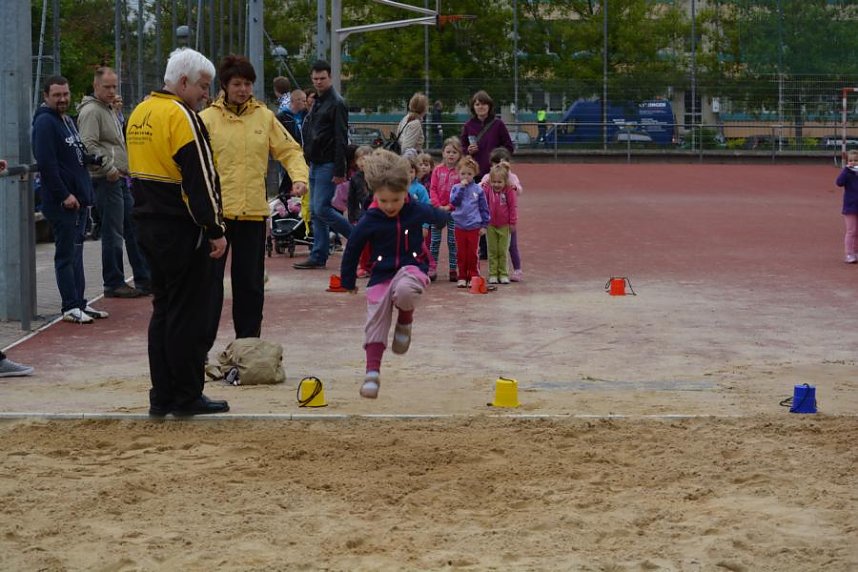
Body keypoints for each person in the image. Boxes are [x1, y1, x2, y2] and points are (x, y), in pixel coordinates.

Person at [126, 48, 229, 417]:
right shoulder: (181, 116)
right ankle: (187, 395)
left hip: (145, 223)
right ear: (183, 82)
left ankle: (162, 396)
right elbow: (200, 178)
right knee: (188, 314)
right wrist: (215, 228)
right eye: (203, 86)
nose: (206, 94)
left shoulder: (139, 112)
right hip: (180, 228)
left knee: (163, 310)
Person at [200, 55, 309, 344]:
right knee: (208, 285)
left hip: (253, 213)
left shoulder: (265, 116)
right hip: (216, 215)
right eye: (237, 84)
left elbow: (289, 150)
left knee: (249, 283)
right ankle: (200, 349)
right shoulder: (206, 119)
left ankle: (248, 344)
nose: (243, 89)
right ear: (224, 85)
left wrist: (299, 177)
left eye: (248, 84)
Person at [339, 149, 451, 399]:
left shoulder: (416, 210)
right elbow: (353, 248)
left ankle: (405, 320)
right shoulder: (371, 218)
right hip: (381, 274)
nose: (390, 206)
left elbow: (439, 216)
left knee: (405, 290)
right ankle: (372, 373)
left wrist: (449, 215)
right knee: (375, 317)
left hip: (413, 267)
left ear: (406, 193)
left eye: (396, 200)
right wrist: (347, 281)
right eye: (384, 200)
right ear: (375, 195)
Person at [32, 75, 107, 324]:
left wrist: (91, 159)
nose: (62, 99)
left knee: (77, 253)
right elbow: (47, 164)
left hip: (80, 199)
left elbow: (73, 154)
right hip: (63, 202)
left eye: (65, 94)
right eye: (57, 95)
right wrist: (64, 194)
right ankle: (69, 306)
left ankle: (80, 303)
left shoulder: (66, 120)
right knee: (66, 254)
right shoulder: (45, 123)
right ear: (46, 96)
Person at [78, 67, 151, 298]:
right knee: (113, 232)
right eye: (107, 87)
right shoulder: (92, 111)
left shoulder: (108, 109)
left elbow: (114, 141)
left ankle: (144, 278)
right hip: (106, 180)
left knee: (132, 227)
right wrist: (109, 168)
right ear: (95, 85)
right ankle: (113, 281)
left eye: (114, 86)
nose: (112, 91)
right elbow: (88, 145)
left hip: (119, 178)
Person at [293, 60, 351, 270]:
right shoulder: (317, 101)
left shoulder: (336, 103)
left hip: (327, 163)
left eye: (322, 78)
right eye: (315, 79)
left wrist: (339, 169)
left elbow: (340, 137)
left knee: (321, 208)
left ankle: (356, 237)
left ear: (330, 78)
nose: (318, 82)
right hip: (316, 162)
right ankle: (319, 254)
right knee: (316, 211)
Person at [460, 90, 513, 259]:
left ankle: (495, 244)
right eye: (477, 104)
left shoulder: (498, 125)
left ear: (489, 106)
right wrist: (467, 150)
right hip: (475, 174)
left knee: (493, 209)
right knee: (476, 210)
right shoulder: (469, 126)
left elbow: (509, 147)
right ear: (473, 107)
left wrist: (499, 158)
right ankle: (481, 246)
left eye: (483, 103)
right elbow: (461, 147)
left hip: (494, 176)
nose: (480, 106)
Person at [479, 147, 525, 281]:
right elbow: (479, 189)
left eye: (502, 164)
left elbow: (519, 191)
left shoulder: (511, 177)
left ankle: (516, 270)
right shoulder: (488, 177)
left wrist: (510, 180)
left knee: (511, 246)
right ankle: (494, 273)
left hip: (507, 221)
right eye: (495, 164)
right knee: (493, 249)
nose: (499, 167)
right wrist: (485, 182)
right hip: (492, 222)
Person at [449, 156, 489, 288]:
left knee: (473, 253)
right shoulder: (455, 188)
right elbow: (454, 202)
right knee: (461, 252)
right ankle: (462, 276)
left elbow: (484, 208)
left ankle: (473, 276)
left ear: (475, 174)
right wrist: (461, 187)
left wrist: (484, 225)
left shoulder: (478, 190)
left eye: (469, 174)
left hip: (474, 226)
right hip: (459, 226)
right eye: (463, 173)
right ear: (458, 173)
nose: (466, 176)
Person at [429, 136, 462, 282]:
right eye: (448, 151)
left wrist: (450, 206)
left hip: (455, 212)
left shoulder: (461, 171)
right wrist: (438, 206)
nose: (451, 155)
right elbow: (433, 189)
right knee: (435, 241)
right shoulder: (437, 170)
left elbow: (461, 192)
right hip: (437, 211)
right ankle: (432, 267)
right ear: (443, 153)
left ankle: (453, 268)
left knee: (453, 241)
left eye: (454, 152)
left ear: (459, 154)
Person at [835, 149, 858, 264]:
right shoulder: (847, 173)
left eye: (855, 160)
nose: (853, 162)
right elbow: (839, 182)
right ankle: (849, 253)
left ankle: (856, 251)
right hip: (850, 206)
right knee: (851, 231)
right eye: (851, 160)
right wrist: (846, 170)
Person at [395, 92, 428, 156]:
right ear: (424, 108)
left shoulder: (406, 118)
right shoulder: (415, 123)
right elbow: (407, 148)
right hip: (410, 160)